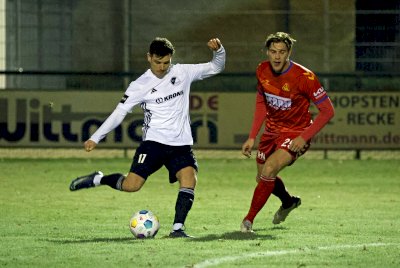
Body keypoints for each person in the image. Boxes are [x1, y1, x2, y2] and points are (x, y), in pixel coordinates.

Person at [69, 37, 225, 238]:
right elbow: (119, 113)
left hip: (180, 144)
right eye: (157, 62)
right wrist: (96, 137)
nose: (162, 67)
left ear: (171, 59)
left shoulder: (183, 73)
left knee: (189, 179)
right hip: (153, 143)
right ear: (149, 57)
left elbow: (216, 67)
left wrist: (219, 51)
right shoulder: (139, 85)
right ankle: (98, 179)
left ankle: (178, 229)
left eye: (166, 62)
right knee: (131, 186)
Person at [240, 32, 334, 232]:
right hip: (271, 132)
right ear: (267, 52)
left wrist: (304, 137)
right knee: (263, 179)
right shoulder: (262, 70)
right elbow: (261, 103)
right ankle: (288, 202)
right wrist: (252, 136)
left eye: (282, 52)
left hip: (295, 133)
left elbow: (328, 111)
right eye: (273, 52)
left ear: (289, 52)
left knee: (269, 170)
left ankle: (248, 221)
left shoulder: (304, 77)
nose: (276, 56)